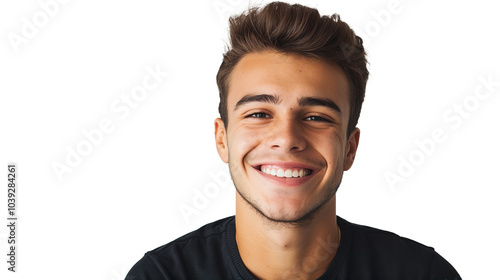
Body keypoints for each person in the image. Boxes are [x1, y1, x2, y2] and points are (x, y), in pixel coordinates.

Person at [126, 2, 461, 279]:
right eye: (258, 114)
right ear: (222, 139)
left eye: (316, 117)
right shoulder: (161, 276)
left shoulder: (422, 274)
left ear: (349, 147)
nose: (286, 139)